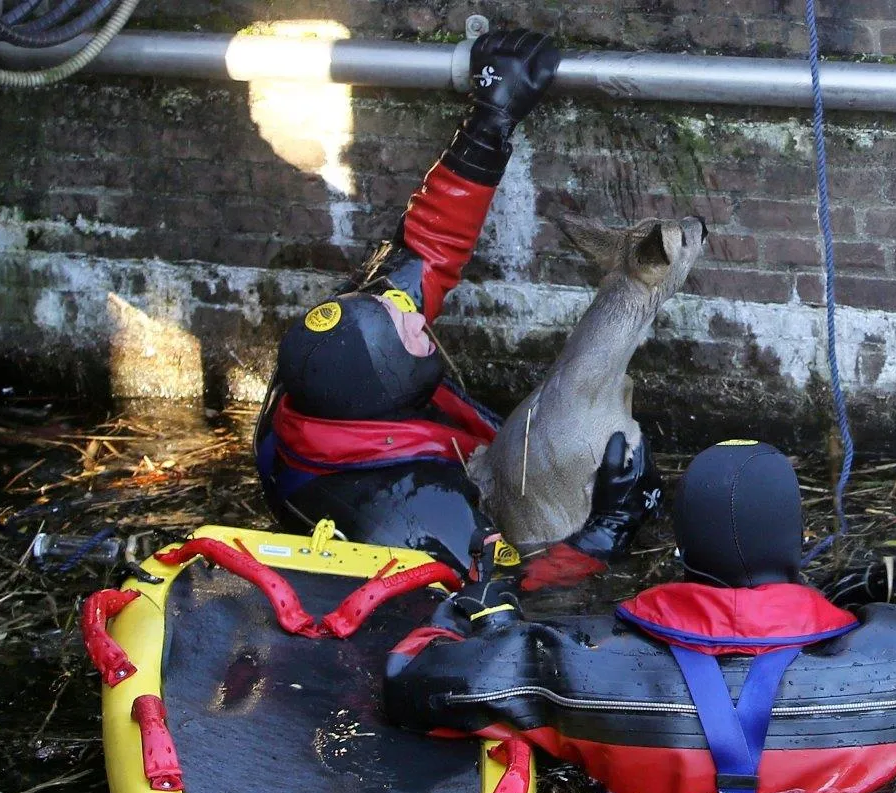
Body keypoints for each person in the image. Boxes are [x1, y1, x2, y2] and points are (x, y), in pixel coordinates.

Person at [384, 439, 896, 793]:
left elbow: (411, 680)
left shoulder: (564, 659)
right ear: (797, 542)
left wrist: (478, 610)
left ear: (681, 549)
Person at [252, 29, 660, 586]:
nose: (420, 314)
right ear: (387, 382)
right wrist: (614, 524)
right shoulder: (422, 510)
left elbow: (423, 251)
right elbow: (518, 595)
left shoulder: (328, 382)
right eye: (408, 326)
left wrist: (490, 120)